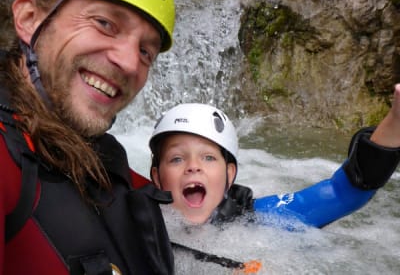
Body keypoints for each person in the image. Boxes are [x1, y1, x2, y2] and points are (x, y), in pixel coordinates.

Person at [1, 0, 176, 274]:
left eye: (146, 51)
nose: (131, 63)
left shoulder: (110, 167)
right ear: (30, 19)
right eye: (105, 23)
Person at [148, 89, 400, 227]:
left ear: (230, 175)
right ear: (157, 178)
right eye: (177, 159)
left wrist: (397, 120)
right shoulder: (131, 227)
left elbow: (345, 191)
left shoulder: (256, 221)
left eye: (208, 158)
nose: (193, 167)